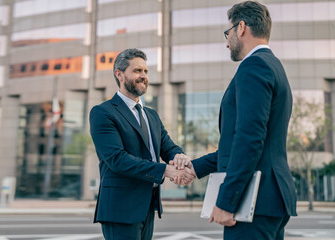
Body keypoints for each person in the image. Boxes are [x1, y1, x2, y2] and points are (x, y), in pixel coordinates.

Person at [171, 1, 297, 239]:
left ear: (241, 28)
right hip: (270, 199)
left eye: (227, 33)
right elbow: (242, 144)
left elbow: (249, 139)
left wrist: (227, 200)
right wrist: (194, 168)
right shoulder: (274, 66)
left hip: (254, 203)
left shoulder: (254, 67)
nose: (226, 41)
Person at [89, 48, 195, 240]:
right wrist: (165, 171)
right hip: (120, 208)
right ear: (119, 74)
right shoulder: (103, 112)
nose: (143, 76)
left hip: (147, 204)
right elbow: (117, 159)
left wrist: (179, 157)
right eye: (137, 71)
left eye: (145, 71)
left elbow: (168, 147)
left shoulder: (151, 115)